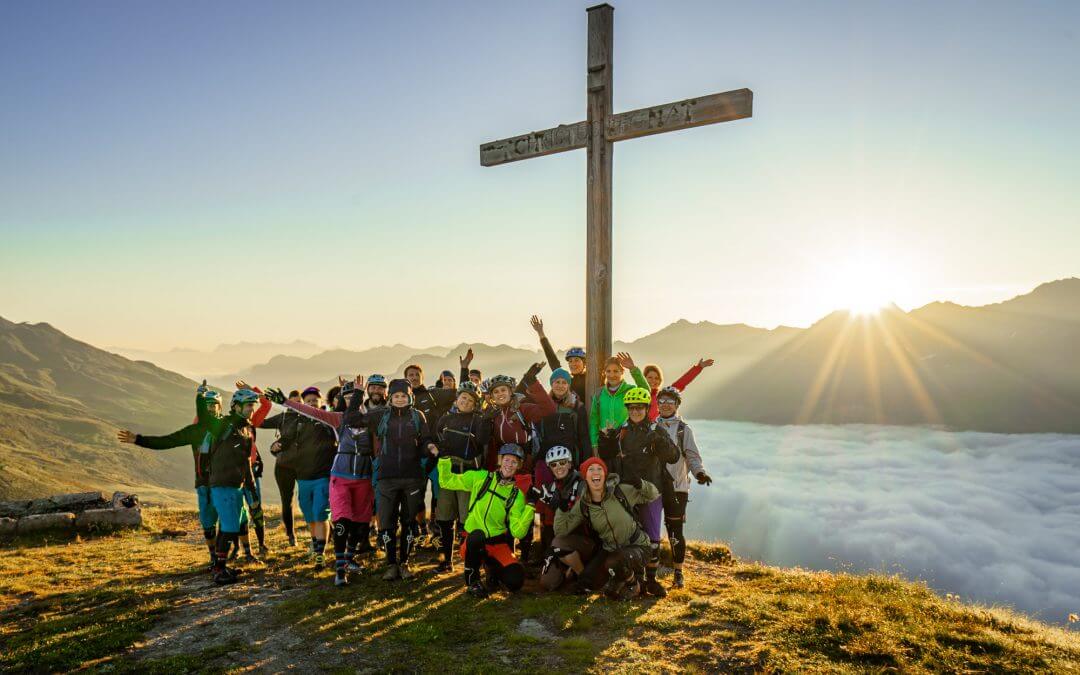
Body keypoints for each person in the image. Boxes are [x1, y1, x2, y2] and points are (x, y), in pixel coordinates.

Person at [117, 383, 223, 569]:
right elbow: (166, 441)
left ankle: (228, 554)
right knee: (208, 522)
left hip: (224, 481)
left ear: (220, 407)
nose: (211, 408)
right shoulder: (194, 431)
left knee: (227, 518)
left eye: (214, 405)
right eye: (208, 405)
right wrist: (138, 440)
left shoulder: (225, 427)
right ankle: (213, 557)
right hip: (204, 482)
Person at [597, 386, 679, 597]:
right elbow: (608, 455)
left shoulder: (655, 429)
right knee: (631, 536)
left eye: (640, 408)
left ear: (646, 408)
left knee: (652, 536)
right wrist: (605, 439)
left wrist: (660, 441)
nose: (635, 411)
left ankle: (651, 580)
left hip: (651, 489)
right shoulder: (620, 431)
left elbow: (673, 456)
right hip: (626, 491)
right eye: (632, 408)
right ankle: (636, 579)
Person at [436, 443, 539, 598]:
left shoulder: (516, 495)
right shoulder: (481, 477)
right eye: (506, 460)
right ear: (500, 460)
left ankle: (492, 571)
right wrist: (443, 460)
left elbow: (518, 531)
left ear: (518, 466)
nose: (509, 465)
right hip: (472, 541)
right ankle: (473, 582)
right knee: (477, 536)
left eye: (514, 462)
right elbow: (447, 481)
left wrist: (530, 506)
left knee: (515, 580)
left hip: (497, 543)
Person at [554, 457, 658, 600]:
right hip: (610, 550)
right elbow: (561, 531)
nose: (595, 472)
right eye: (591, 469)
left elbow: (653, 495)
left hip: (638, 546)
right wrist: (561, 509)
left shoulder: (620, 492)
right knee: (586, 581)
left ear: (605, 474)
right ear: (585, 477)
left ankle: (634, 584)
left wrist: (640, 484)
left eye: (599, 469)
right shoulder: (583, 504)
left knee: (614, 562)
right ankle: (618, 580)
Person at [485, 365, 556, 563]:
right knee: (505, 514)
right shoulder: (494, 416)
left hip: (524, 469)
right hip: (504, 470)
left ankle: (525, 556)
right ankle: (508, 556)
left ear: (510, 391)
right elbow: (492, 446)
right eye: (496, 391)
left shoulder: (523, 408)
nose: (500, 394)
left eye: (503, 390)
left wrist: (533, 383)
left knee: (523, 510)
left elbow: (549, 409)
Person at [367, 378, 436, 581]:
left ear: (410, 397)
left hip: (412, 477)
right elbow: (352, 418)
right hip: (386, 478)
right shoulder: (381, 415)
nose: (399, 399)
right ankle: (391, 564)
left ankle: (404, 563)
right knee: (386, 523)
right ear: (390, 397)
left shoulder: (418, 416)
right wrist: (356, 394)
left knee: (408, 522)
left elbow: (425, 440)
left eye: (403, 396)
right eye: (396, 396)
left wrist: (430, 448)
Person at [262, 383, 338, 566]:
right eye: (308, 401)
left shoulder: (328, 422)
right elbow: (285, 443)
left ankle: (320, 552)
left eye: (315, 400)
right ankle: (315, 545)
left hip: (322, 476)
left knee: (321, 514)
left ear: (321, 402)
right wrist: (275, 448)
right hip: (303, 477)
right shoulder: (297, 423)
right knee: (310, 515)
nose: (311, 403)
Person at [430, 380, 491, 572]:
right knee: (444, 519)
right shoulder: (444, 420)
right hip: (448, 473)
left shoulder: (478, 421)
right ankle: (446, 561)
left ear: (475, 404)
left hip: (467, 474)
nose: (465, 402)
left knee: (467, 520)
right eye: (463, 397)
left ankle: (468, 560)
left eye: (470, 400)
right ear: (456, 399)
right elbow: (436, 437)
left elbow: (483, 442)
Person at [654, 386, 712, 589]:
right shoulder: (651, 426)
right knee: (650, 529)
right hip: (653, 486)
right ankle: (649, 569)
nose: (665, 405)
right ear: (657, 404)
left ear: (677, 405)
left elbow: (692, 455)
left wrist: (699, 473)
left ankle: (678, 571)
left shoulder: (683, 429)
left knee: (675, 530)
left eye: (670, 402)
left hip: (678, 486)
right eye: (661, 401)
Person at [203, 388, 262, 585]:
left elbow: (246, 460)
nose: (251, 410)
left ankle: (222, 566)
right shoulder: (224, 425)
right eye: (248, 406)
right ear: (236, 407)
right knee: (229, 528)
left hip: (236, 484)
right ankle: (219, 570)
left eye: (253, 406)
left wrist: (251, 485)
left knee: (230, 527)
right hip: (222, 484)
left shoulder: (246, 428)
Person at [535, 446, 593, 592]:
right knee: (547, 583)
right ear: (550, 468)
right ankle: (569, 569)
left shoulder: (582, 483)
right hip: (561, 542)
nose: (558, 467)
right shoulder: (551, 488)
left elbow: (578, 517)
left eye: (562, 462)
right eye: (554, 464)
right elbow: (546, 523)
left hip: (586, 539)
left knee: (558, 542)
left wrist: (557, 504)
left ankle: (583, 578)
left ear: (569, 463)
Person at [589, 352, 649, 455]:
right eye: (608, 371)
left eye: (616, 371)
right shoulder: (599, 394)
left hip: (627, 444)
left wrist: (633, 369)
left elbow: (646, 391)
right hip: (605, 444)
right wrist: (594, 446)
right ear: (604, 373)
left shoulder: (630, 391)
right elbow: (594, 421)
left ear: (622, 372)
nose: (612, 375)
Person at [530, 315, 587, 402]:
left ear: (584, 363)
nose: (573, 364)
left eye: (577, 360)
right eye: (570, 361)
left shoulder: (591, 377)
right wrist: (540, 332)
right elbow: (552, 359)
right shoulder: (566, 379)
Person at [641, 359, 714, 421]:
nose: (653, 380)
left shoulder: (665, 394)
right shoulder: (637, 395)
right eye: (650, 377)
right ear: (644, 378)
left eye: (656, 378)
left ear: (660, 380)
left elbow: (682, 382)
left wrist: (698, 367)